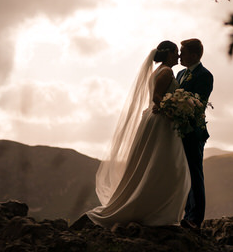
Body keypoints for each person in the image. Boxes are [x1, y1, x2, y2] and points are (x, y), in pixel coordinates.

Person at [85, 41, 191, 227]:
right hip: (162, 123)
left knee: (160, 167)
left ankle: (156, 210)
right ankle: (157, 213)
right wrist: (173, 111)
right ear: (168, 54)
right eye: (176, 52)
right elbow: (157, 97)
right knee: (172, 168)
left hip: (158, 121)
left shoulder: (159, 71)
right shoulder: (166, 71)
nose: (179, 56)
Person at [176, 38, 213, 230]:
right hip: (178, 131)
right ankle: (185, 214)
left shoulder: (205, 75)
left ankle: (195, 219)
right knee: (182, 174)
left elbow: (199, 105)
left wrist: (177, 106)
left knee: (194, 173)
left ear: (194, 55)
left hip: (193, 131)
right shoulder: (180, 74)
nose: (179, 55)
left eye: (183, 52)